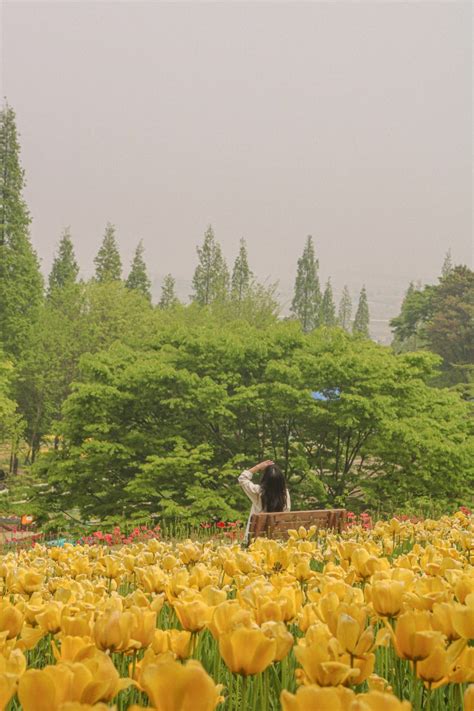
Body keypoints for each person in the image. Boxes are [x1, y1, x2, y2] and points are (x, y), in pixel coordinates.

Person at [238, 460, 291, 542]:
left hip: (255, 541)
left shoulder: (258, 492)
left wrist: (258, 467)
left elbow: (242, 479)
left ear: (265, 479)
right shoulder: (285, 494)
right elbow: (286, 512)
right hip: (277, 540)